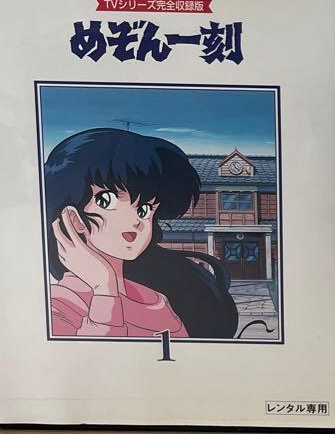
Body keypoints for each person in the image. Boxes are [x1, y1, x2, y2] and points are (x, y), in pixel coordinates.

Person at [44, 129, 238, 339]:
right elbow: (93, 356)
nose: (136, 221)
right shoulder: (59, 304)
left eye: (144, 210)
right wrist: (104, 289)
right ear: (73, 218)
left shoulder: (158, 302)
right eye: (106, 201)